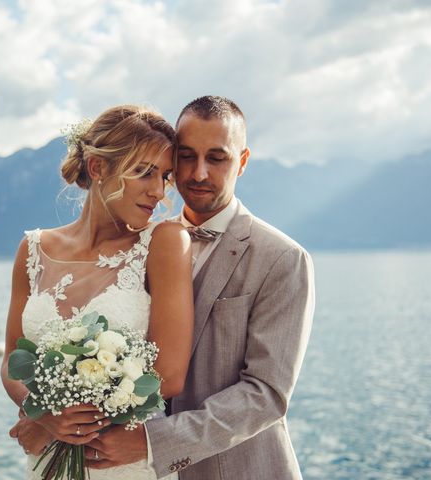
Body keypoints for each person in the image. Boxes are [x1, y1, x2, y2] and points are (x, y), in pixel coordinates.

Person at [84, 96, 315, 479]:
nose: (199, 173)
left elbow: (266, 395)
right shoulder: (140, 245)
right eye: (187, 156)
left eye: (217, 158)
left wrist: (151, 442)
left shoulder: (283, 258)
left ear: (241, 161)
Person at [0, 105, 195, 479]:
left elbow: (169, 375)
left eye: (165, 176)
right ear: (98, 168)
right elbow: (12, 360)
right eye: (144, 172)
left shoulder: (165, 243)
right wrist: (41, 414)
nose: (158, 191)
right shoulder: (33, 250)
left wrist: (56, 416)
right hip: (46, 462)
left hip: (123, 464)